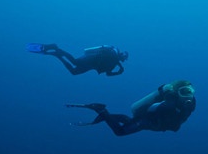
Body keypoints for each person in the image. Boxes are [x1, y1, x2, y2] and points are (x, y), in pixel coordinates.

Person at [67, 80, 196, 137]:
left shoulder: (191, 102)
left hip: (155, 124)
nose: (189, 94)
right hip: (149, 121)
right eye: (184, 91)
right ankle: (101, 110)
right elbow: (163, 108)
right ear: (176, 92)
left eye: (191, 91)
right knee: (120, 132)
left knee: (127, 120)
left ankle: (104, 115)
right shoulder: (171, 99)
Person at [27, 42, 128, 76]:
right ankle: (55, 48)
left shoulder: (115, 63)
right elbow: (106, 53)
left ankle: (57, 55)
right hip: (90, 59)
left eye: (124, 58)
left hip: (91, 66)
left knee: (74, 72)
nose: (122, 59)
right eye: (123, 56)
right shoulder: (113, 52)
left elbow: (108, 74)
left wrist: (118, 72)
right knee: (75, 62)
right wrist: (118, 68)